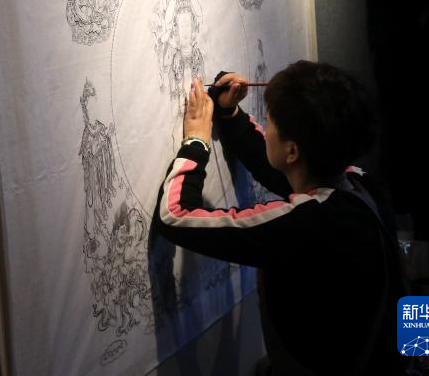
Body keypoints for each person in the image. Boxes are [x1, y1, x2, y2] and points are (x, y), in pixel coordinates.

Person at [152, 61, 404, 375]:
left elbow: (176, 216)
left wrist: (196, 141)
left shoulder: (308, 225)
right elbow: (282, 169)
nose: (266, 128)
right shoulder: (363, 186)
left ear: (293, 151)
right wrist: (230, 115)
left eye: (269, 122)